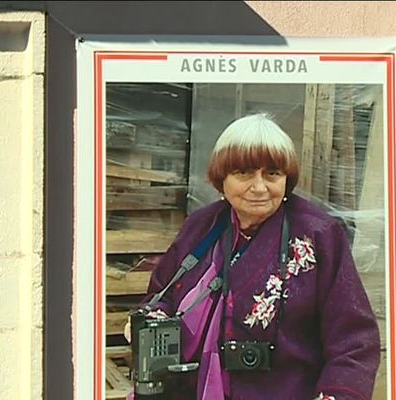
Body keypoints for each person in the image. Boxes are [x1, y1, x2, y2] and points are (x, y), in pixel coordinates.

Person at [131, 113, 380, 400]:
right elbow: (161, 296)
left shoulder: (318, 234)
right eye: (244, 173)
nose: (259, 187)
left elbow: (354, 340)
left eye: (272, 173)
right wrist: (148, 323)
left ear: (288, 178)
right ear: (221, 177)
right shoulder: (200, 228)